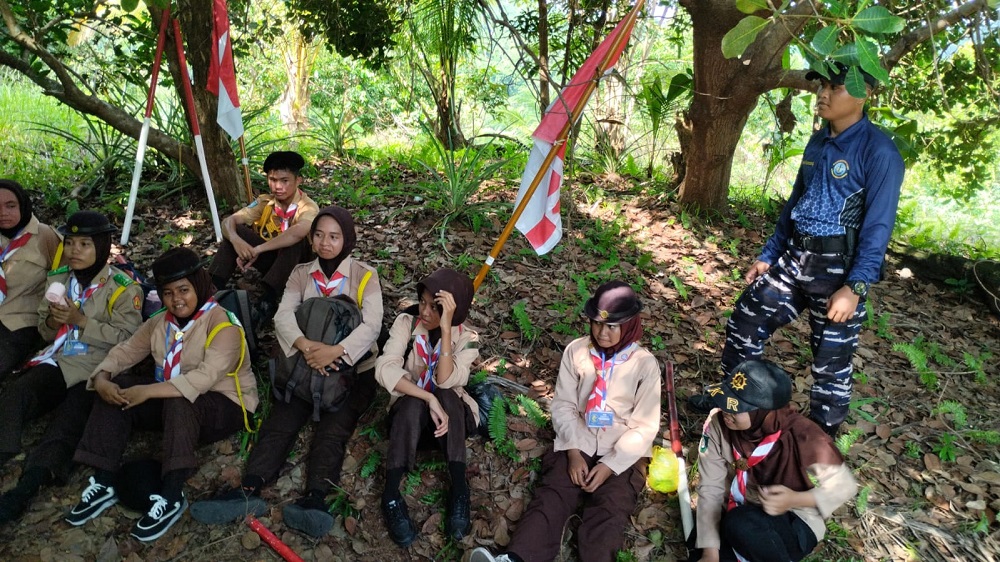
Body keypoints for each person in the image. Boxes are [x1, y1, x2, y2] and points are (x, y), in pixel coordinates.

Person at [691, 62, 905, 437]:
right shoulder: (818, 141)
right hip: (794, 259)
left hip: (838, 270)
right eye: (822, 85)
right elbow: (795, 203)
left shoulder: (879, 151)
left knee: (830, 359)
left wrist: (855, 287)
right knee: (746, 319)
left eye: (836, 87)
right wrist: (769, 255)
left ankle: (817, 441)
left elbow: (878, 226)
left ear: (864, 94)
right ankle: (735, 401)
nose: (824, 93)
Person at [190, 206, 382, 538]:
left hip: (350, 371)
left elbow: (372, 325)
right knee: (281, 421)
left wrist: (336, 352)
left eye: (334, 237)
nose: (325, 243)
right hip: (304, 364)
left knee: (333, 429)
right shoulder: (302, 273)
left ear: (347, 240)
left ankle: (315, 499)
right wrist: (306, 347)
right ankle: (248, 489)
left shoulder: (365, 275)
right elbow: (283, 316)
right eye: (319, 235)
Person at [64, 247, 258, 542]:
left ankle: (171, 494)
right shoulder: (160, 321)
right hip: (171, 401)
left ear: (199, 285)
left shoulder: (223, 324)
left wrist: (148, 392)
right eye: (167, 293)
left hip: (224, 406)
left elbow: (202, 379)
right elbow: (126, 351)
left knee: (180, 398)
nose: (176, 299)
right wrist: (102, 378)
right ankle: (103, 479)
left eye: (184, 290)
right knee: (120, 384)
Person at [469, 280, 661, 562]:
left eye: (612, 326)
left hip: (623, 450)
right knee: (553, 494)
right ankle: (517, 558)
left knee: (610, 510)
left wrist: (609, 466)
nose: (602, 333)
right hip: (579, 437)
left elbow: (644, 426)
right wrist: (572, 452)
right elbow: (564, 405)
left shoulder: (645, 364)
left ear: (629, 325)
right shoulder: (577, 351)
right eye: (597, 323)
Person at [0, 211, 143, 524]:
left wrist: (82, 321)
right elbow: (44, 329)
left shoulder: (122, 287)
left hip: (95, 366)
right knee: (17, 394)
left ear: (102, 247)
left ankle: (28, 486)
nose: (74, 250)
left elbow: (130, 340)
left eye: (85, 244)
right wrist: (53, 321)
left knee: (68, 420)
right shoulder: (59, 278)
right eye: (70, 243)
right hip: (60, 358)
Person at [688, 360, 857, 562]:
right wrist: (710, 554)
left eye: (735, 408)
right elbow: (711, 488)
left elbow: (845, 487)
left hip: (790, 517)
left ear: (762, 411)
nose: (726, 412)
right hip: (736, 506)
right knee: (699, 550)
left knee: (741, 525)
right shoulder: (718, 424)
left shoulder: (803, 434)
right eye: (725, 403)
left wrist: (794, 499)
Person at [376, 268, 480, 547]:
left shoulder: (467, 337)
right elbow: (384, 368)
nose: (425, 312)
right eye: (422, 302)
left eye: (435, 308)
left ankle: (459, 490)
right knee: (414, 401)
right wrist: (427, 398)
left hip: (449, 425)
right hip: (410, 425)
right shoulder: (406, 323)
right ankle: (390, 494)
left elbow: (445, 380)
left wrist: (446, 330)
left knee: (446, 393)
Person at [208, 151, 319, 328]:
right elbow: (229, 221)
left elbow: (298, 232)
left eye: (284, 180)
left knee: (295, 240)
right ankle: (210, 288)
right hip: (272, 260)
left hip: (298, 266)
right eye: (272, 180)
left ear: (298, 180)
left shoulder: (308, 206)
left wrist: (258, 249)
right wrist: (237, 241)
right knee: (235, 231)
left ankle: (266, 301)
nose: (278, 186)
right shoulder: (265, 203)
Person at [0, 179, 61, 378]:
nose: (3, 212)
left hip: (20, 322)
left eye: (11, 206)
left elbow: (69, 275)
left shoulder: (45, 236)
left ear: (23, 205)